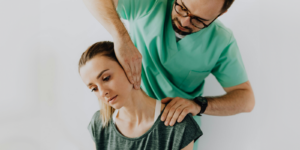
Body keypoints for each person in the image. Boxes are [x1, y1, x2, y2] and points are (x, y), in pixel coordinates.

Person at [82, 0, 255, 149]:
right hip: (130, 118)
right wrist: (121, 38)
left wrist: (198, 105)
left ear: (221, 13)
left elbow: (246, 100)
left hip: (172, 127)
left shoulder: (221, 41)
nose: (185, 21)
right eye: (182, 7)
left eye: (199, 20)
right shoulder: (149, 5)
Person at [78, 41, 202, 150]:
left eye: (106, 78)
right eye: (94, 88)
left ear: (129, 67)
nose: (102, 92)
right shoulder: (99, 124)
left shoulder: (178, 125)